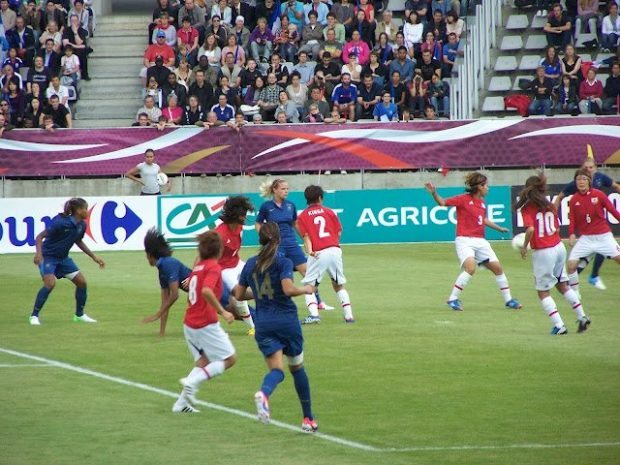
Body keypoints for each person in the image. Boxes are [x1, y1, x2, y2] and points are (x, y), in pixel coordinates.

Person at [234, 222, 318, 433]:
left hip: (263, 324)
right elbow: (287, 289)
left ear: (260, 239)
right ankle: (308, 419)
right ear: (279, 239)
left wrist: (259, 294)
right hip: (286, 322)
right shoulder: (283, 261)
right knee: (297, 368)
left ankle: (264, 394)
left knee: (277, 371)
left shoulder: (250, 263)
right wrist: (306, 289)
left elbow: (238, 295)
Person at [424, 173, 522, 312]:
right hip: (464, 240)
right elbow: (443, 203)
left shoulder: (482, 203)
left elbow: (483, 219)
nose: (488, 188)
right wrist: (434, 193)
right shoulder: (463, 199)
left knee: (498, 269)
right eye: (486, 185)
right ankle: (452, 299)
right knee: (470, 268)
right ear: (479, 187)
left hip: (481, 241)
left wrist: (499, 228)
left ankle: (508, 300)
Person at [514, 174, 588, 335]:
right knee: (562, 285)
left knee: (542, 291)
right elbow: (556, 227)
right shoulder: (549, 205)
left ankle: (559, 325)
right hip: (558, 247)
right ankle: (582, 316)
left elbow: (531, 229)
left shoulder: (527, 208)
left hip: (544, 251)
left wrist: (525, 246)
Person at [172, 231, 237, 414]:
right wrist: (224, 312)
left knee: (203, 361)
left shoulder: (198, 267)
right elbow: (207, 291)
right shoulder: (213, 267)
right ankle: (192, 382)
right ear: (220, 250)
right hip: (205, 323)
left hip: (189, 322)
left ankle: (181, 404)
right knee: (229, 359)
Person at [255, 178, 333, 318]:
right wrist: (265, 237)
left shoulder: (291, 205)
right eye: (283, 189)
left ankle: (319, 302)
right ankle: (278, 305)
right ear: (275, 190)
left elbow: (295, 223)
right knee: (277, 276)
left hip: (292, 245)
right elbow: (258, 224)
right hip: (276, 246)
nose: (286, 191)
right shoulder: (266, 206)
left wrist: (305, 237)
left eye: (287, 189)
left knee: (308, 274)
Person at [29, 198, 105, 326]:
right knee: (50, 284)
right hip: (47, 258)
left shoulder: (82, 225)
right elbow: (39, 237)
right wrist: (38, 254)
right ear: (79, 210)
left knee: (82, 283)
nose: (87, 211)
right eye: (85, 209)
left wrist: (93, 257)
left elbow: (78, 241)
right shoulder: (60, 223)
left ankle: (79, 315)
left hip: (63, 259)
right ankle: (34, 316)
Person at [297, 185, 355, 324]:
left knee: (309, 286)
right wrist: (332, 243)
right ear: (320, 197)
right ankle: (349, 316)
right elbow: (339, 231)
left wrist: (309, 251)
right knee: (338, 284)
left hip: (318, 252)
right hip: (335, 250)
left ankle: (314, 315)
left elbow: (306, 236)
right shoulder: (329, 212)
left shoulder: (303, 216)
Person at [566, 168, 620, 300]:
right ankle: (575, 293)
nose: (581, 182)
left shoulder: (599, 195)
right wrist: (571, 234)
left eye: (584, 179)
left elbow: (612, 211)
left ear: (589, 181)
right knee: (571, 265)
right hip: (586, 239)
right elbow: (572, 219)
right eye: (578, 179)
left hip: (604, 237)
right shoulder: (574, 200)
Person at [214, 196, 257, 335]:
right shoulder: (220, 234)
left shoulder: (239, 227)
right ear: (235, 215)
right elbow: (209, 257)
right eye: (242, 215)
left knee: (262, 277)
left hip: (237, 263)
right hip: (224, 269)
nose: (245, 217)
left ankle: (267, 299)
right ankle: (253, 327)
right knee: (239, 295)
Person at [142, 228, 191, 336]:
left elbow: (175, 295)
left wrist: (157, 315)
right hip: (201, 295)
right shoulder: (162, 270)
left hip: (211, 290)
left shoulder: (168, 264)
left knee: (227, 310)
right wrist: (161, 333)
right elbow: (165, 302)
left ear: (150, 255)